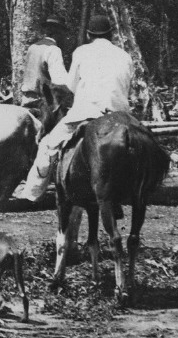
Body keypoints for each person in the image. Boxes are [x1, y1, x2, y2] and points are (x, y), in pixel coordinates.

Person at [20, 14, 133, 202]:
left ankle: (32, 192)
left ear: (89, 35)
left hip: (85, 110)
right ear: (111, 35)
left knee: (48, 144)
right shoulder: (125, 55)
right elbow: (126, 87)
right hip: (119, 113)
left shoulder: (77, 51)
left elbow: (70, 86)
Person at [20, 15, 69, 110]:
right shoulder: (54, 50)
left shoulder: (32, 47)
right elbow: (60, 81)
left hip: (26, 100)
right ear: (58, 32)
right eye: (63, 33)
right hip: (43, 104)